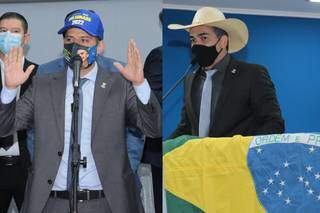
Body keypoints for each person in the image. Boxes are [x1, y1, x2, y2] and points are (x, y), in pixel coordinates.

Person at [0, 9, 161, 213]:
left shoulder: (119, 85)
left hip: (106, 202)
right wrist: (9, 89)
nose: (76, 46)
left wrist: (140, 84)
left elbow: (153, 128)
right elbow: (5, 128)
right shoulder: (43, 85)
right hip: (51, 203)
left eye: (85, 39)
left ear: (99, 46)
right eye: (70, 39)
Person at [168, 7, 284, 138]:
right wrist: (166, 149)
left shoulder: (252, 74)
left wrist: (243, 151)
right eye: (193, 40)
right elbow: (186, 127)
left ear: (223, 41)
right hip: (197, 157)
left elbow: (273, 123)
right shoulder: (190, 79)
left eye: (204, 38)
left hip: (237, 157)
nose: (196, 44)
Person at [0, 12, 38, 212]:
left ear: (26, 38)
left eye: (14, 32)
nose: (7, 36)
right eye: (2, 31)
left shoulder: (40, 74)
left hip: (28, 167)